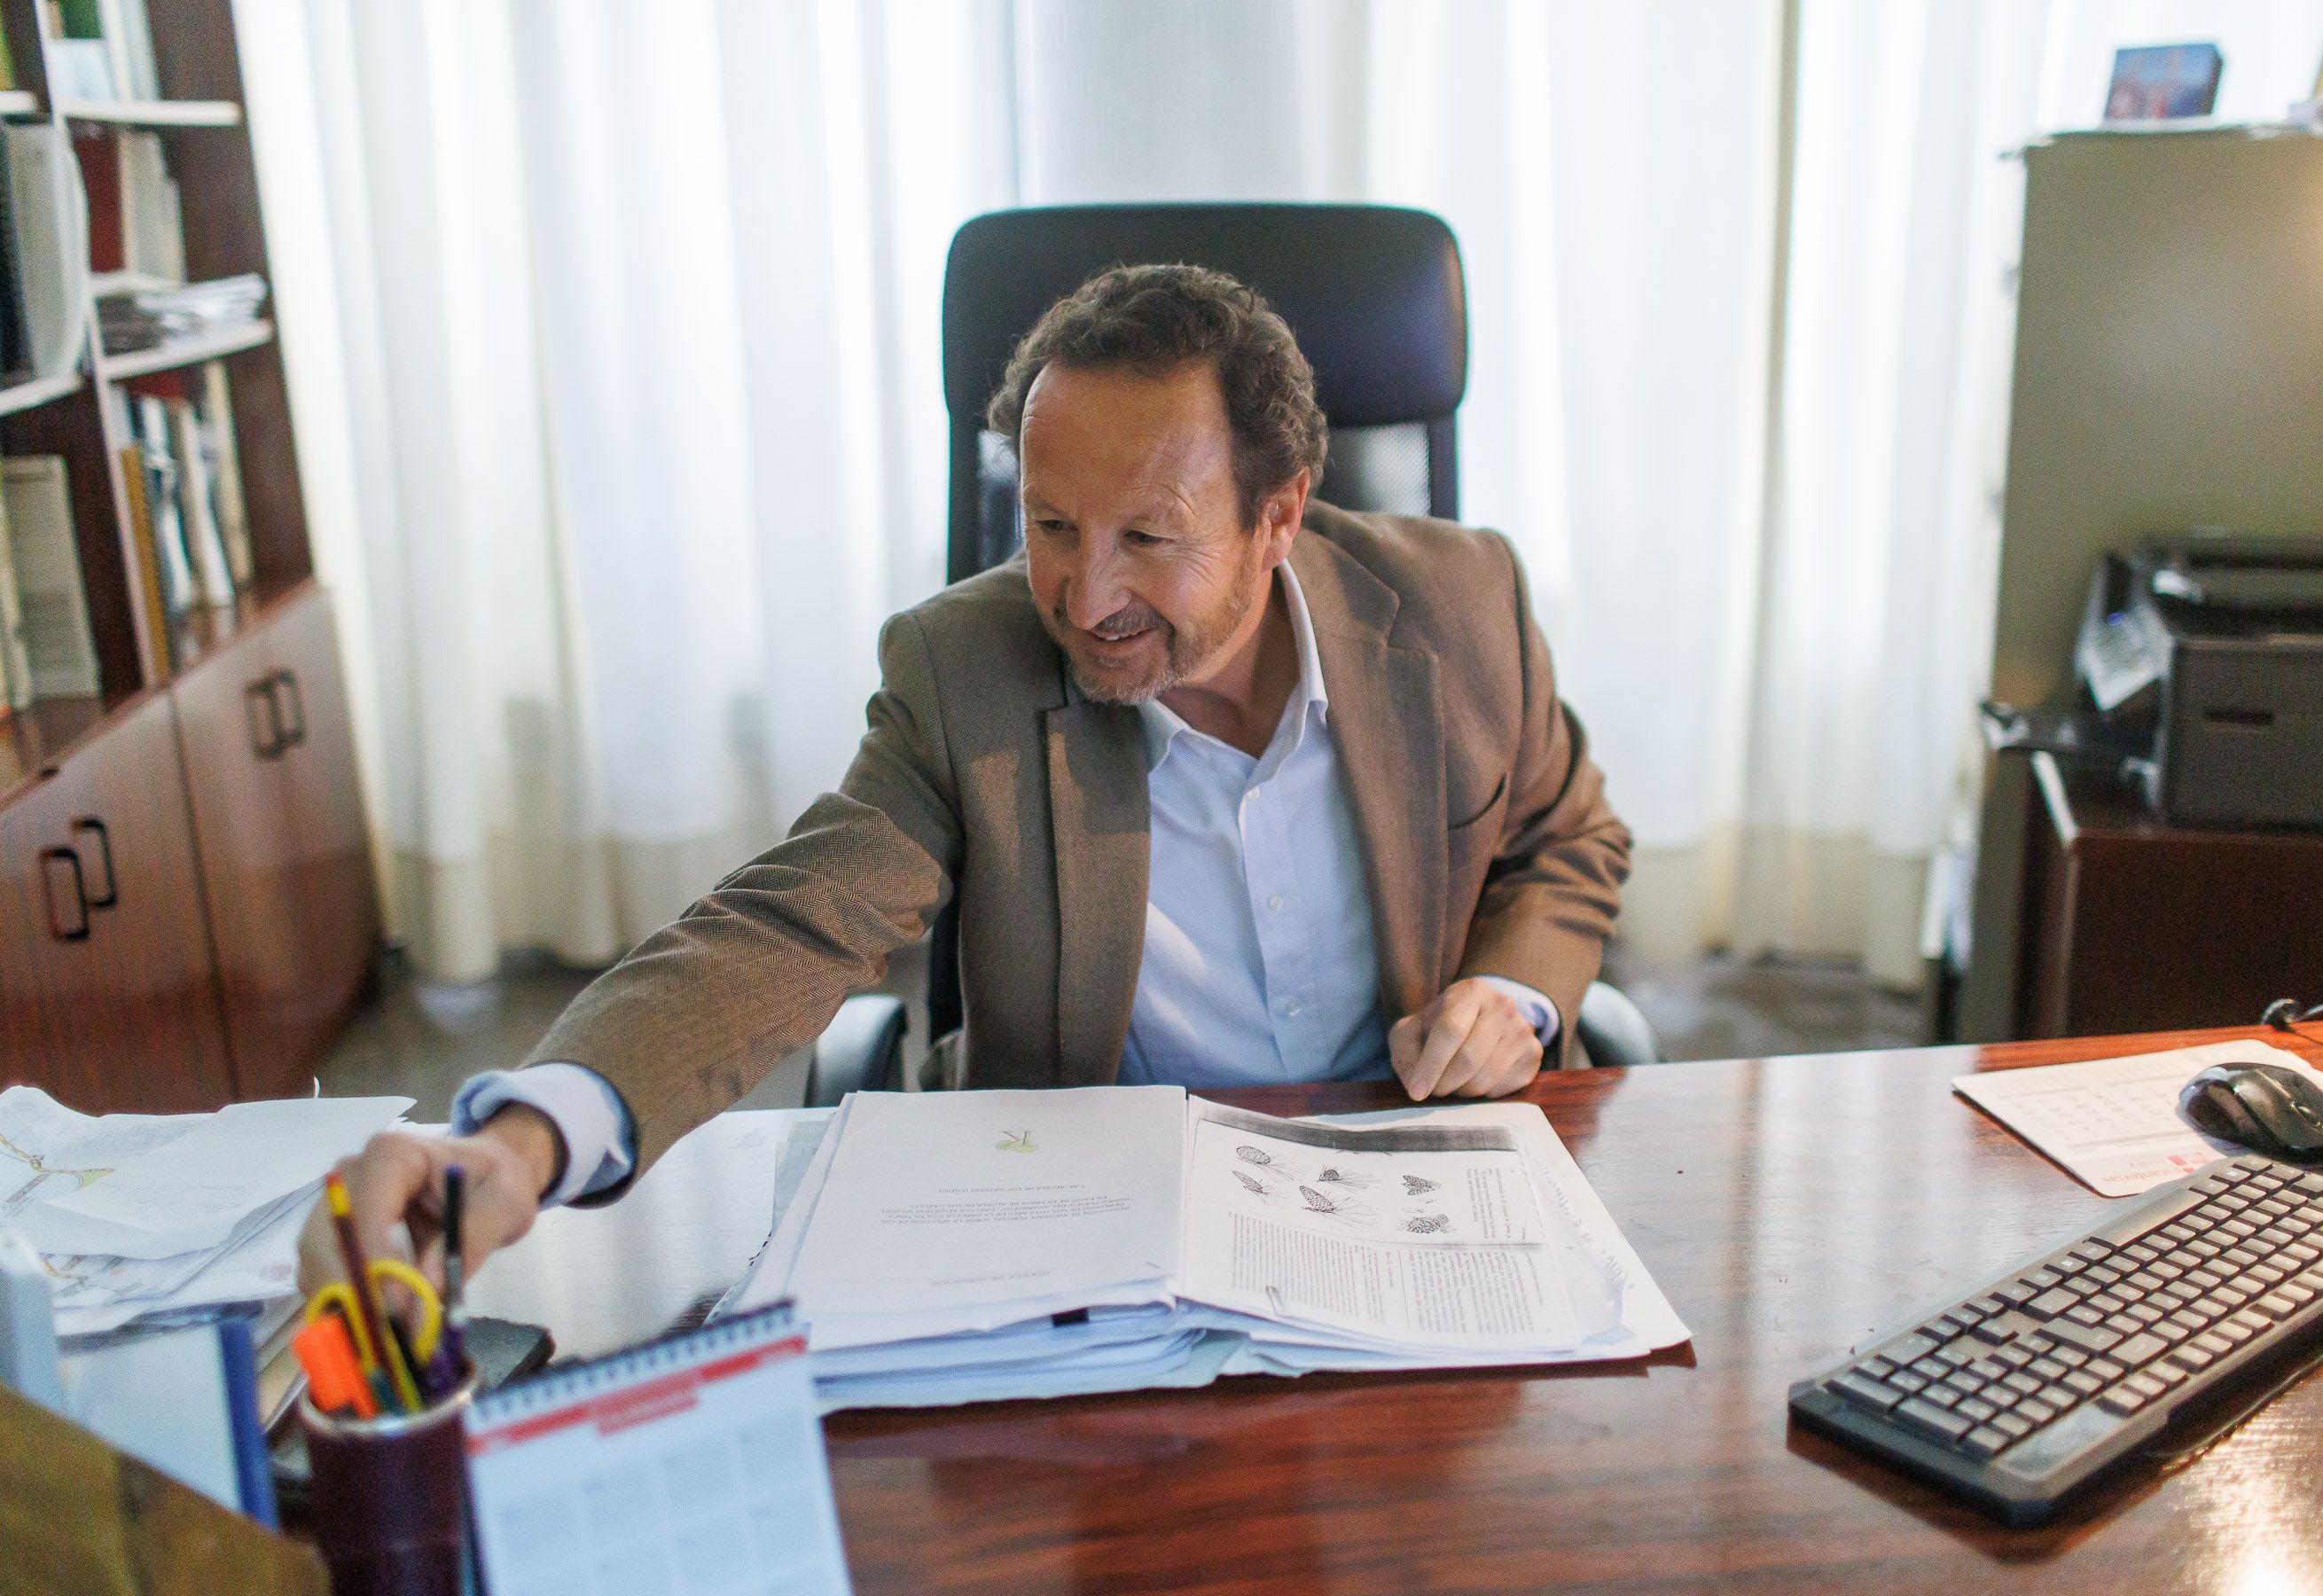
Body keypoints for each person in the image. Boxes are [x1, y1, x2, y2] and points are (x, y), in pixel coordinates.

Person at [301, 262, 1631, 1293]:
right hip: (1100, 1220)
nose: (1084, 593)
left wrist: (1510, 993)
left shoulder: (1457, 604)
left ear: (1279, 515)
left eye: (1147, 538)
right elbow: (783, 925)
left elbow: (1568, 837)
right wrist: (526, 1136)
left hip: (1412, 1184)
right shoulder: (966, 669)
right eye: (1049, 524)